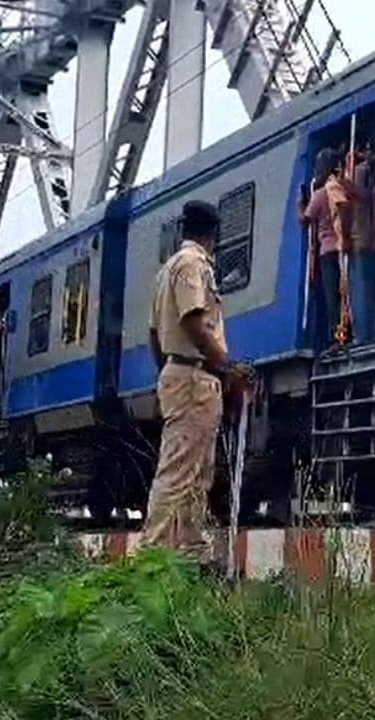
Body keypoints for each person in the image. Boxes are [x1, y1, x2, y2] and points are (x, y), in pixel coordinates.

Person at [145, 200, 252, 562]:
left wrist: (166, 372)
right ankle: (153, 558)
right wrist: (226, 366)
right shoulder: (193, 265)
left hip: (182, 372)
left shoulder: (167, 269)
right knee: (179, 473)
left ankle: (192, 554)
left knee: (196, 473)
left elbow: (154, 333)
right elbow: (194, 321)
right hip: (195, 376)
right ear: (214, 235)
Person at [299, 148, 355, 348]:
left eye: (318, 167)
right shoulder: (340, 188)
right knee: (343, 295)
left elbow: (304, 220)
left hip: (327, 252)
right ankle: (346, 333)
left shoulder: (320, 194)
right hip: (342, 249)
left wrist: (300, 203)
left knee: (332, 299)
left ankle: (337, 338)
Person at [348, 134, 375, 344]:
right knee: (374, 286)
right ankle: (374, 331)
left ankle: (363, 336)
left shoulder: (361, 171)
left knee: (360, 289)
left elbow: (357, 198)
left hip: (361, 237)